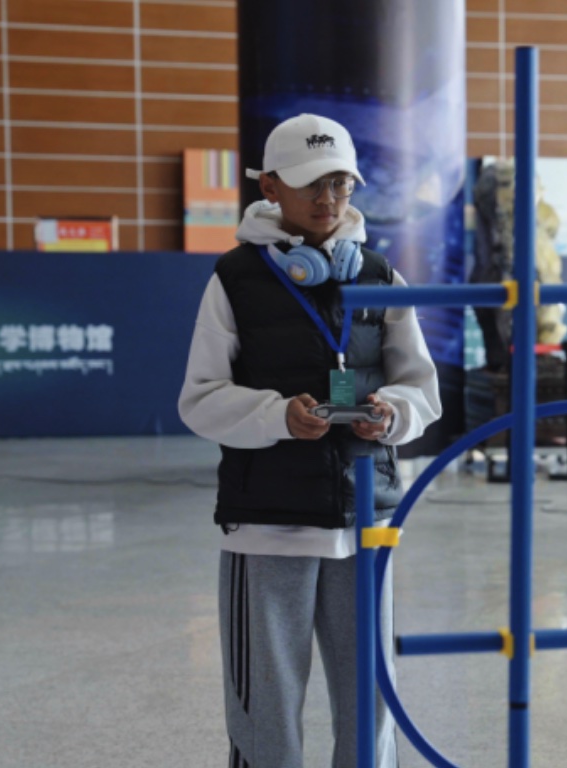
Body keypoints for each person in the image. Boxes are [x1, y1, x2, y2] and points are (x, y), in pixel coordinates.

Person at [178, 113, 442, 767]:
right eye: (310, 184)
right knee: (264, 712)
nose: (328, 199)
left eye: (341, 183)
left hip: (365, 519)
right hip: (266, 527)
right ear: (270, 186)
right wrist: (276, 416)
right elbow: (200, 399)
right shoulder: (234, 279)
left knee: (371, 705)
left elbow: (421, 389)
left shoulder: (379, 276)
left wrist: (392, 414)